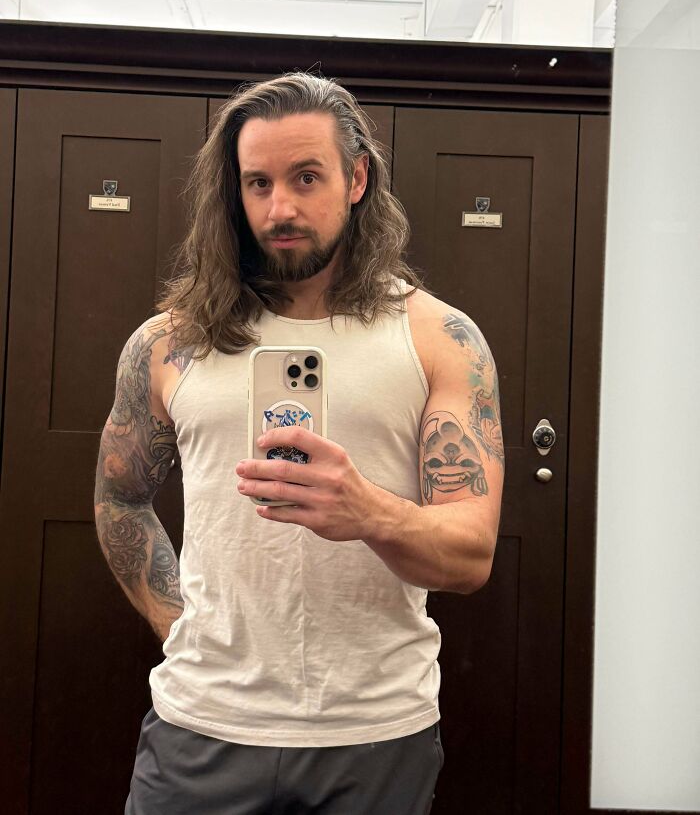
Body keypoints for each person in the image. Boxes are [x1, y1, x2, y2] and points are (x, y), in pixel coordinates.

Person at [94, 72, 505, 815]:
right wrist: (178, 622)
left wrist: (368, 511)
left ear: (357, 178)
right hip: (202, 721)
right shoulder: (167, 342)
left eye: (305, 177)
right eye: (257, 183)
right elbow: (120, 495)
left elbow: (471, 554)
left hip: (375, 730)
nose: (279, 207)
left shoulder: (441, 339)